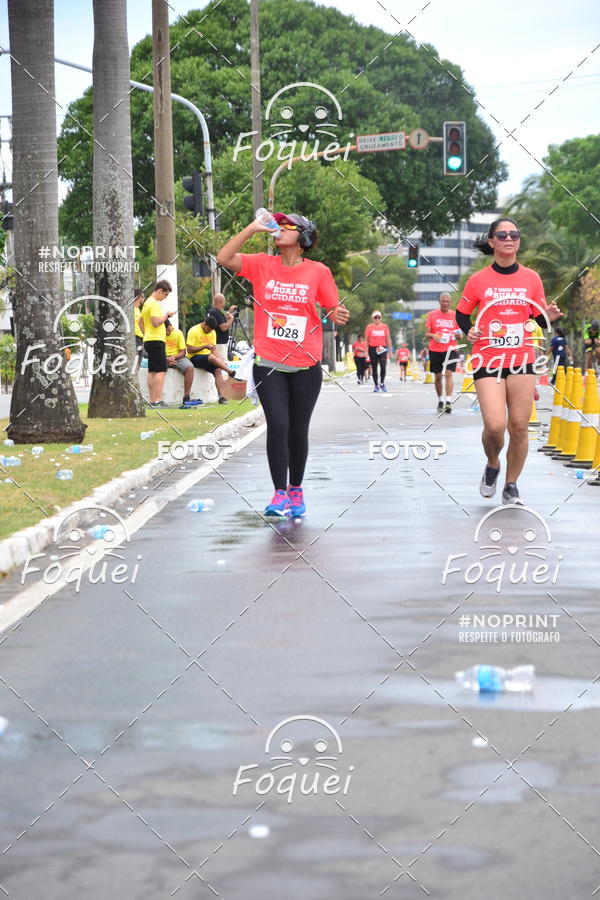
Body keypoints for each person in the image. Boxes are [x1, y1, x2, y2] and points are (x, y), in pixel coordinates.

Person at [216, 210, 349, 517]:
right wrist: (252, 228)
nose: (280, 229)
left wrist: (339, 314)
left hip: (306, 363)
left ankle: (296, 490)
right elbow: (223, 258)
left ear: (303, 237)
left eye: (289, 226)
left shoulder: (318, 271)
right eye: (280, 225)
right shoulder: (262, 264)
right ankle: (279, 494)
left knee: (297, 430)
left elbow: (333, 309)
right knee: (278, 424)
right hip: (269, 361)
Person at [456, 217, 562, 505]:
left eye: (514, 235)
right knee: (494, 426)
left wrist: (548, 317)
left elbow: (538, 318)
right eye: (502, 235)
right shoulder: (478, 280)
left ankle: (511, 485)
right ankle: (493, 464)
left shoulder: (531, 278)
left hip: (522, 359)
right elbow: (462, 314)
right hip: (488, 358)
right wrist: (469, 330)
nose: (508, 239)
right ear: (491, 242)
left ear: (519, 241)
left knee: (519, 426)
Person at [186, 314, 236, 404]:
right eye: (208, 330)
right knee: (212, 357)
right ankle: (229, 371)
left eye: (211, 330)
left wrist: (220, 361)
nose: (209, 332)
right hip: (194, 357)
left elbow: (214, 350)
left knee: (218, 370)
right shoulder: (194, 330)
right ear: (205, 324)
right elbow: (189, 349)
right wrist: (203, 346)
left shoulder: (212, 332)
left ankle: (221, 397)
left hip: (208, 359)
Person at [141, 279, 176, 407]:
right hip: (156, 341)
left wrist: (146, 334)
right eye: (165, 294)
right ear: (160, 291)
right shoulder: (154, 304)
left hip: (149, 340)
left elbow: (140, 322)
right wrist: (167, 315)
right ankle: (157, 399)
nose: (165, 298)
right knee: (161, 370)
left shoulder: (146, 303)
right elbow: (156, 322)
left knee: (152, 371)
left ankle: (152, 400)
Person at [425, 292, 460, 413]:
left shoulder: (455, 316)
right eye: (443, 301)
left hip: (450, 349)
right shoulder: (432, 315)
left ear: (451, 302)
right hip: (435, 349)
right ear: (439, 302)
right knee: (438, 376)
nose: (445, 303)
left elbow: (459, 334)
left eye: (447, 301)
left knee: (449, 374)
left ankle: (448, 402)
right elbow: (427, 334)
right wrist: (433, 336)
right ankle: (440, 400)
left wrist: (458, 335)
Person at [164, 319, 201, 408]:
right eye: (165, 331)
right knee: (157, 366)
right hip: (163, 357)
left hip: (178, 357)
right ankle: (157, 399)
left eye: (168, 330)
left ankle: (186, 397)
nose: (167, 332)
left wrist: (173, 357)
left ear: (171, 325)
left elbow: (183, 352)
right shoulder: (159, 334)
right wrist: (166, 359)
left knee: (189, 367)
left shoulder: (178, 333)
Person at [365, 310, 391, 393]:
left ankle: (382, 383)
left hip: (382, 348)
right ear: (373, 318)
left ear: (381, 318)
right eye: (375, 317)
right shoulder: (369, 327)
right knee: (374, 367)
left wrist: (390, 350)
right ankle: (376, 385)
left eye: (378, 317)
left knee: (383, 365)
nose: (377, 319)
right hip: (372, 348)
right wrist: (366, 351)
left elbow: (388, 338)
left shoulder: (384, 326)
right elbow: (366, 340)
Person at [208, 292, 236, 363]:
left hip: (217, 343)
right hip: (219, 344)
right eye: (224, 301)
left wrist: (230, 312)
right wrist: (232, 319)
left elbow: (222, 322)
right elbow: (224, 327)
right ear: (221, 302)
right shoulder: (216, 313)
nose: (225, 303)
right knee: (223, 364)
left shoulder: (213, 312)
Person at [133, 288, 145, 367]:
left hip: (140, 339)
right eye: (143, 296)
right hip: (135, 338)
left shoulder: (138, 310)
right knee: (135, 362)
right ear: (139, 297)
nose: (144, 298)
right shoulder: (131, 309)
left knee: (138, 363)